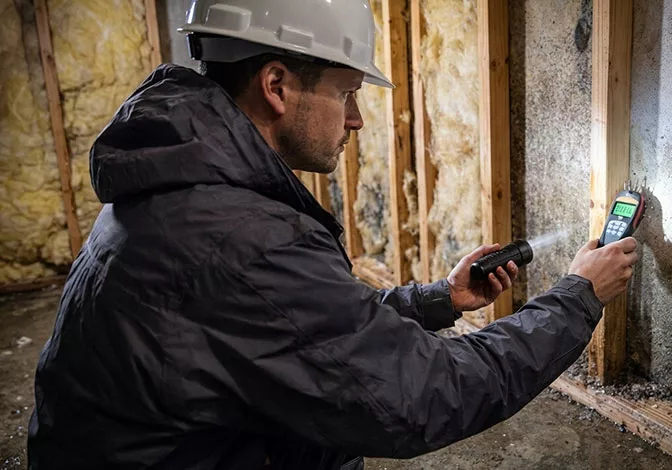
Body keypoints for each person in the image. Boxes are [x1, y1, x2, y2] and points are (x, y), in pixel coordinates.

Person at [26, 0, 639, 468]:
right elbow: (423, 394)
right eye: (346, 92)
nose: (358, 118)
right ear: (276, 85)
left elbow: (289, 326)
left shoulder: (176, 186)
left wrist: (438, 300)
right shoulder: (239, 237)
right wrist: (576, 298)